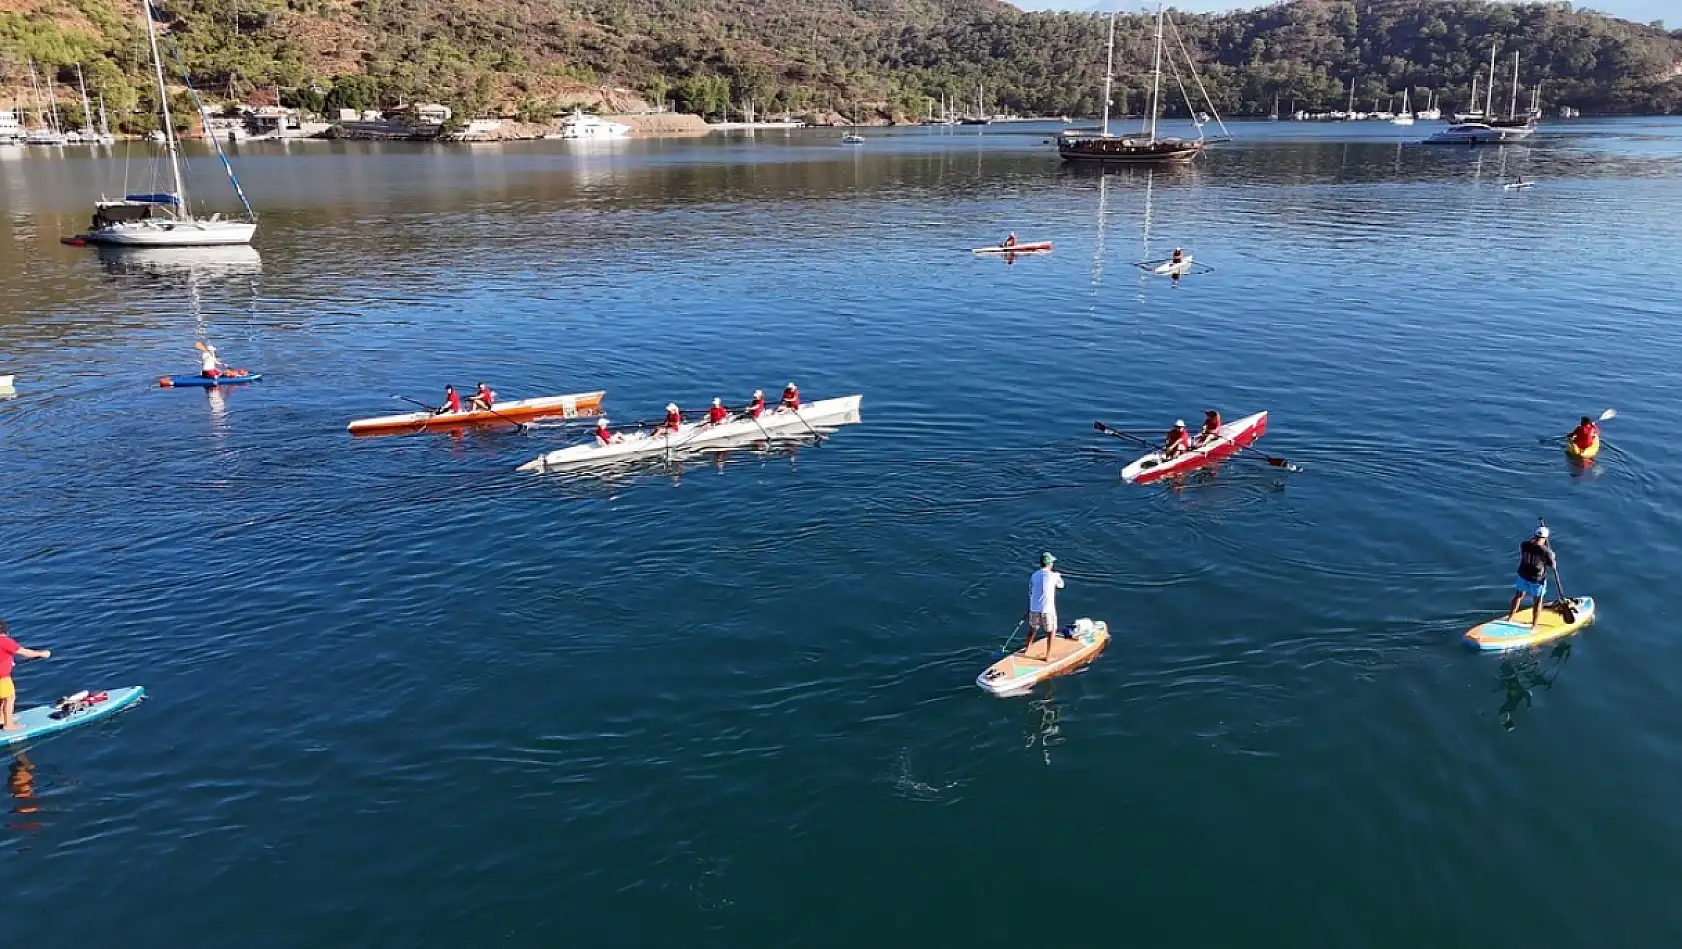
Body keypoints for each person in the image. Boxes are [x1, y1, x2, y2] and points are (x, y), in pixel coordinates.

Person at [0, 620, 52, 732]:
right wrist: (41, 654)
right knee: (9, 698)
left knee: (2, 698)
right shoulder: (4, 641)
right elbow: (25, 653)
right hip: (2, 678)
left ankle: (1, 718)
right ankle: (8, 725)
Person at [1506, 526, 1557, 628]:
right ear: (1545, 539)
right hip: (1537, 579)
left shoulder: (1524, 545)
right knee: (1537, 601)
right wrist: (1552, 555)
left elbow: (1531, 545)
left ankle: (1510, 618)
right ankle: (1534, 626)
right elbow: (1552, 565)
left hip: (1523, 575)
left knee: (1519, 596)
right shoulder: (1546, 551)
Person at [1024, 553, 1065, 661]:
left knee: (1033, 629)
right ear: (1049, 564)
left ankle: (1027, 649)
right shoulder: (1053, 576)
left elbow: (1031, 592)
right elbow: (1061, 585)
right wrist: (1058, 576)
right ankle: (1048, 656)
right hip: (1047, 609)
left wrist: (1032, 606)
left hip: (1034, 608)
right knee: (1051, 630)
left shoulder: (1034, 575)